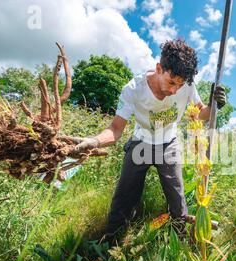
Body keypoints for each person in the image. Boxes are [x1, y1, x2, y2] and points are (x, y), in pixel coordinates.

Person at [74, 39, 227, 245]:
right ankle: (112, 240)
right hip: (141, 142)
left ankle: (178, 240)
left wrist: (214, 105)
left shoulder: (187, 87)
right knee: (125, 195)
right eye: (171, 83)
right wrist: (94, 141)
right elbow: (115, 129)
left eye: (179, 85)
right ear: (158, 68)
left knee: (177, 196)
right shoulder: (133, 89)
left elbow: (201, 114)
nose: (174, 91)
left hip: (168, 144)